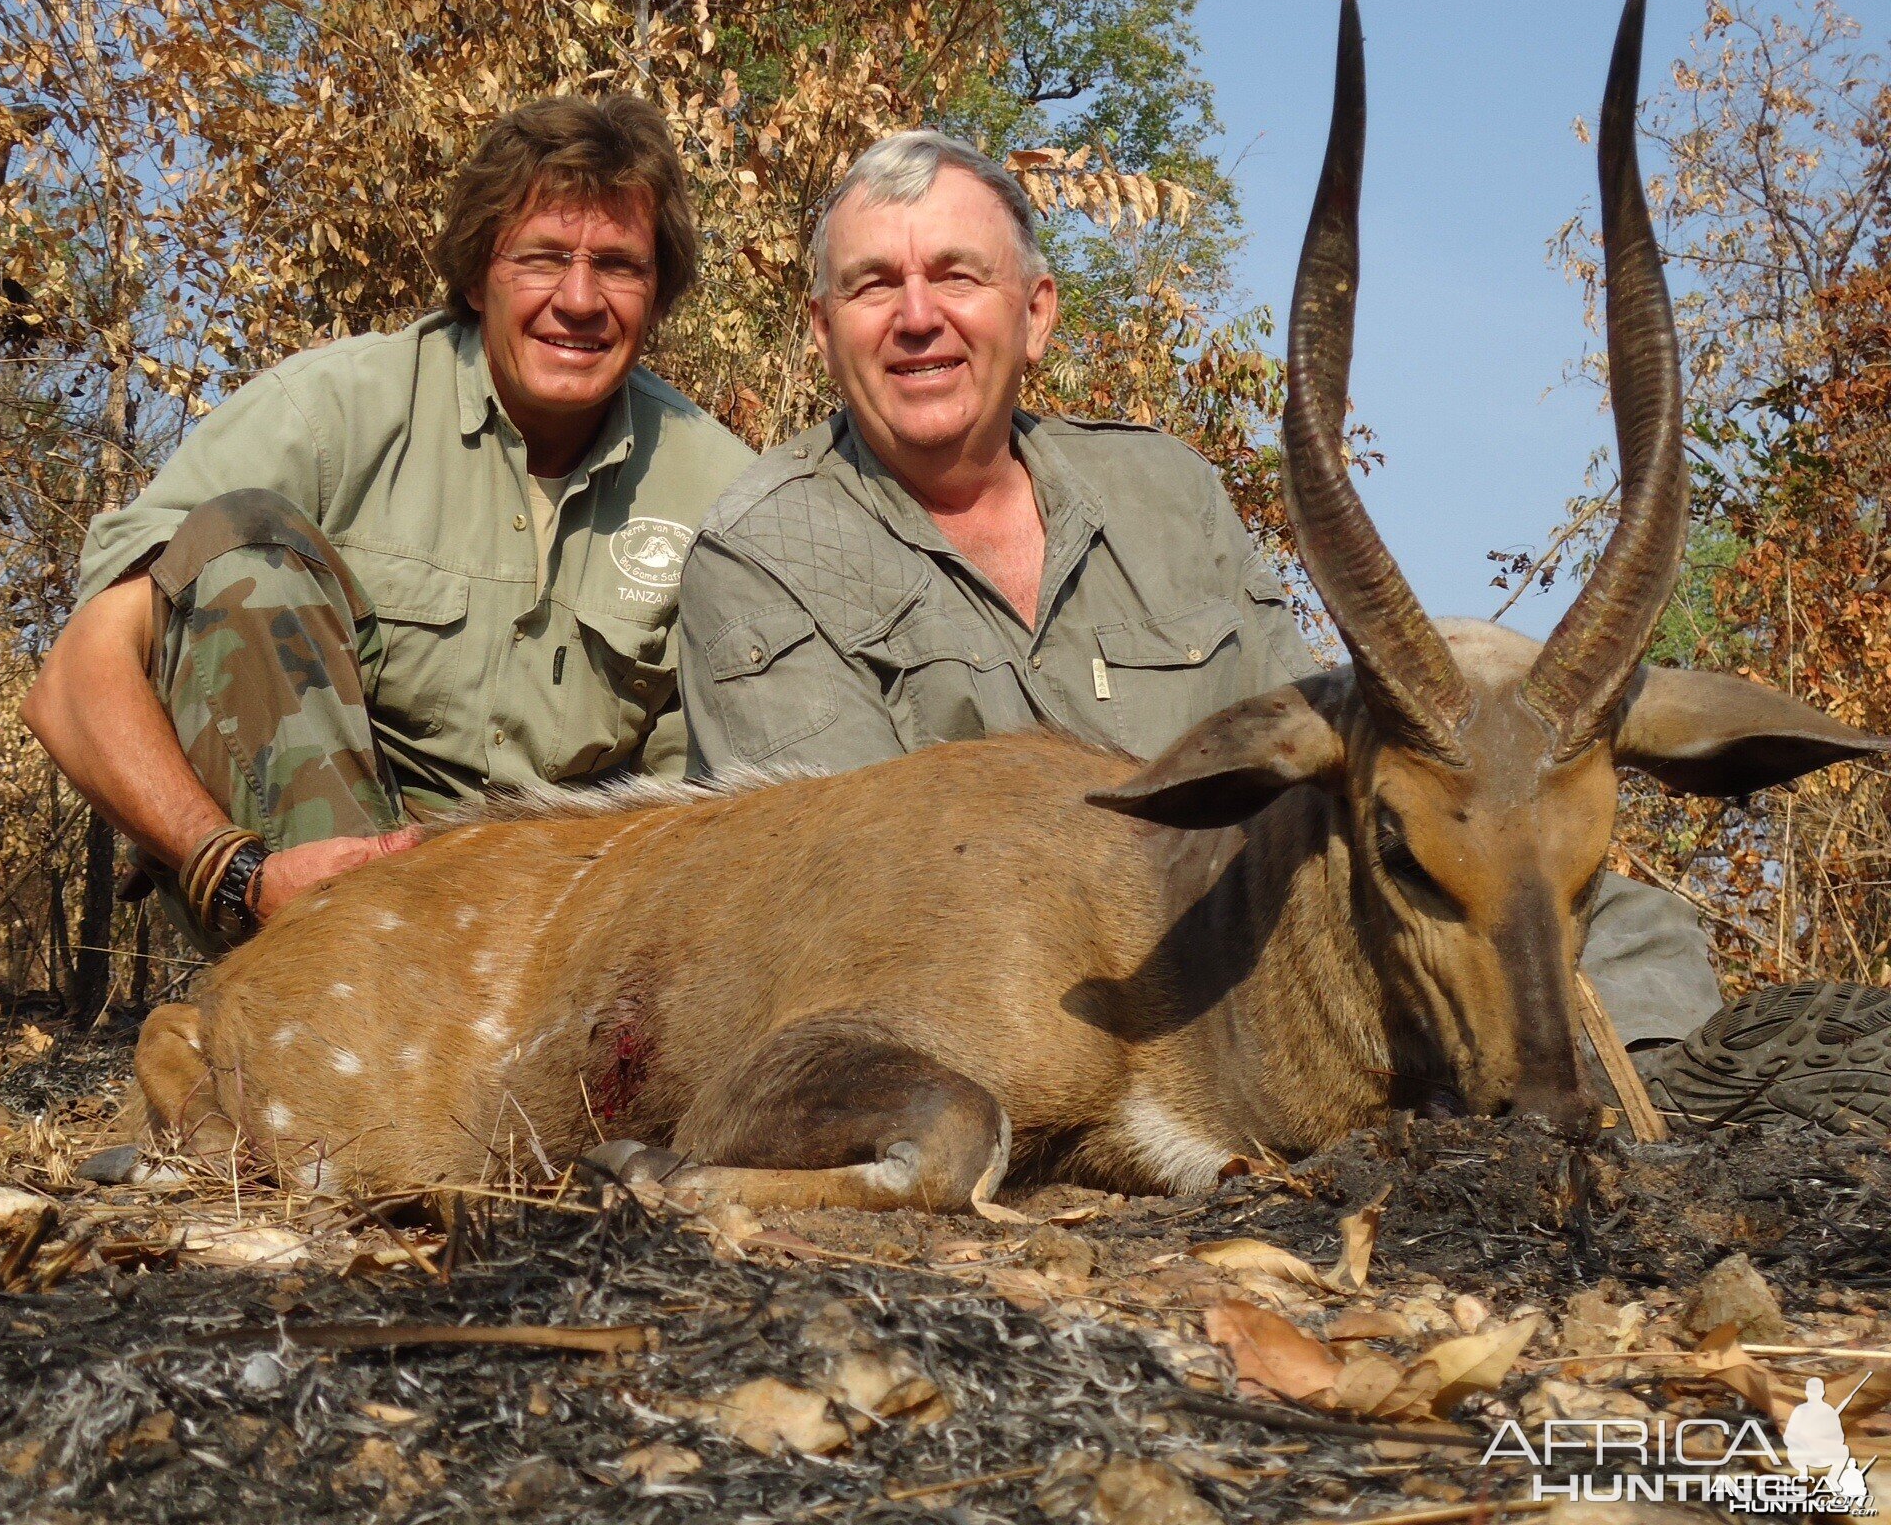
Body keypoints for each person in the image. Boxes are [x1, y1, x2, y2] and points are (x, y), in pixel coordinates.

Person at [675, 129, 1884, 1124]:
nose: (918, 316)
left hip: (1244, 950)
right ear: (822, 326)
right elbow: (851, 907)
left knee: (1619, 930)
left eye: (955, 276)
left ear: (1035, 314)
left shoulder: (1166, 495)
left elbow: (1335, 761)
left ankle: (1614, 1126)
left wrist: (1479, 696)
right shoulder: (759, 555)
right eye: (874, 286)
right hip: (1005, 1011)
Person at [24, 95, 753, 951]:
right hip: (330, 900)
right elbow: (76, 679)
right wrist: (233, 873)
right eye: (544, 257)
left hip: (570, 935)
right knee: (237, 547)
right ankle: (327, 996)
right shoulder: (331, 414)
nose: (581, 299)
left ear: (659, 292)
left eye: (621, 265)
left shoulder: (725, 490)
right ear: (479, 273)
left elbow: (714, 805)